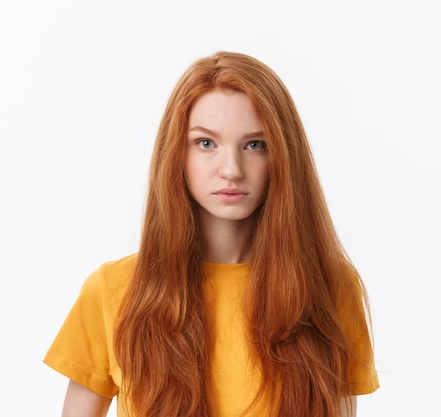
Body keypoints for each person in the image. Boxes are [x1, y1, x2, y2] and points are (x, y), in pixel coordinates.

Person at [44, 51, 379, 417]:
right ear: (177, 154)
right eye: (206, 143)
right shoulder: (112, 290)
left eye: (255, 145)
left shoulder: (330, 287)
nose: (231, 169)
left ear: (283, 156)